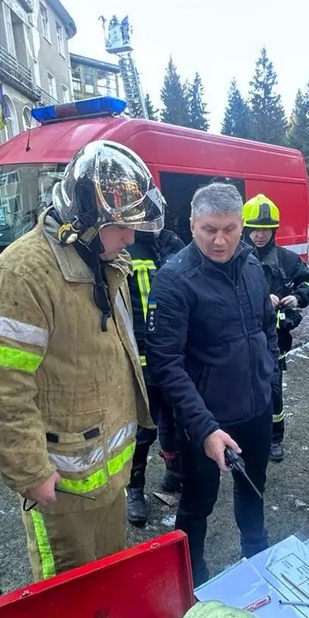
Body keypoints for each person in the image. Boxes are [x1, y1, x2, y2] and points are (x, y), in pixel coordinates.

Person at [0, 140, 157, 580]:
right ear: (86, 220)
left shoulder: (108, 263)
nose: (131, 237)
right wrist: (32, 474)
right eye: (121, 226)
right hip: (62, 486)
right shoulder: (22, 274)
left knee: (109, 581)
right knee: (69, 601)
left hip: (110, 475)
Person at [147, 182, 278, 585]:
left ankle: (257, 554)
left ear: (241, 225)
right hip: (206, 419)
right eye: (209, 230)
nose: (220, 241)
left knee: (253, 488)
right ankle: (192, 578)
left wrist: (268, 372)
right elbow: (165, 362)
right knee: (197, 503)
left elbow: (264, 327)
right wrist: (203, 427)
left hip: (255, 408)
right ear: (191, 225)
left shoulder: (251, 264)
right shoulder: (175, 279)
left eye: (229, 229)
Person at [242, 194, 309, 462]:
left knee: (273, 390)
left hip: (276, 341)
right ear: (245, 228)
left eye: (265, 229)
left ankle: (275, 438)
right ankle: (244, 435)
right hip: (240, 340)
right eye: (255, 229)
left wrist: (298, 298)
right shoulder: (235, 259)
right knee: (240, 389)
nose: (260, 235)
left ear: (273, 230)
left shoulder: (287, 260)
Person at [126, 225, 186, 526]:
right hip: (136, 357)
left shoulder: (170, 242)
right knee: (142, 430)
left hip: (172, 355)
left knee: (174, 421)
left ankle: (175, 472)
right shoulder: (123, 244)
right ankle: (134, 490)